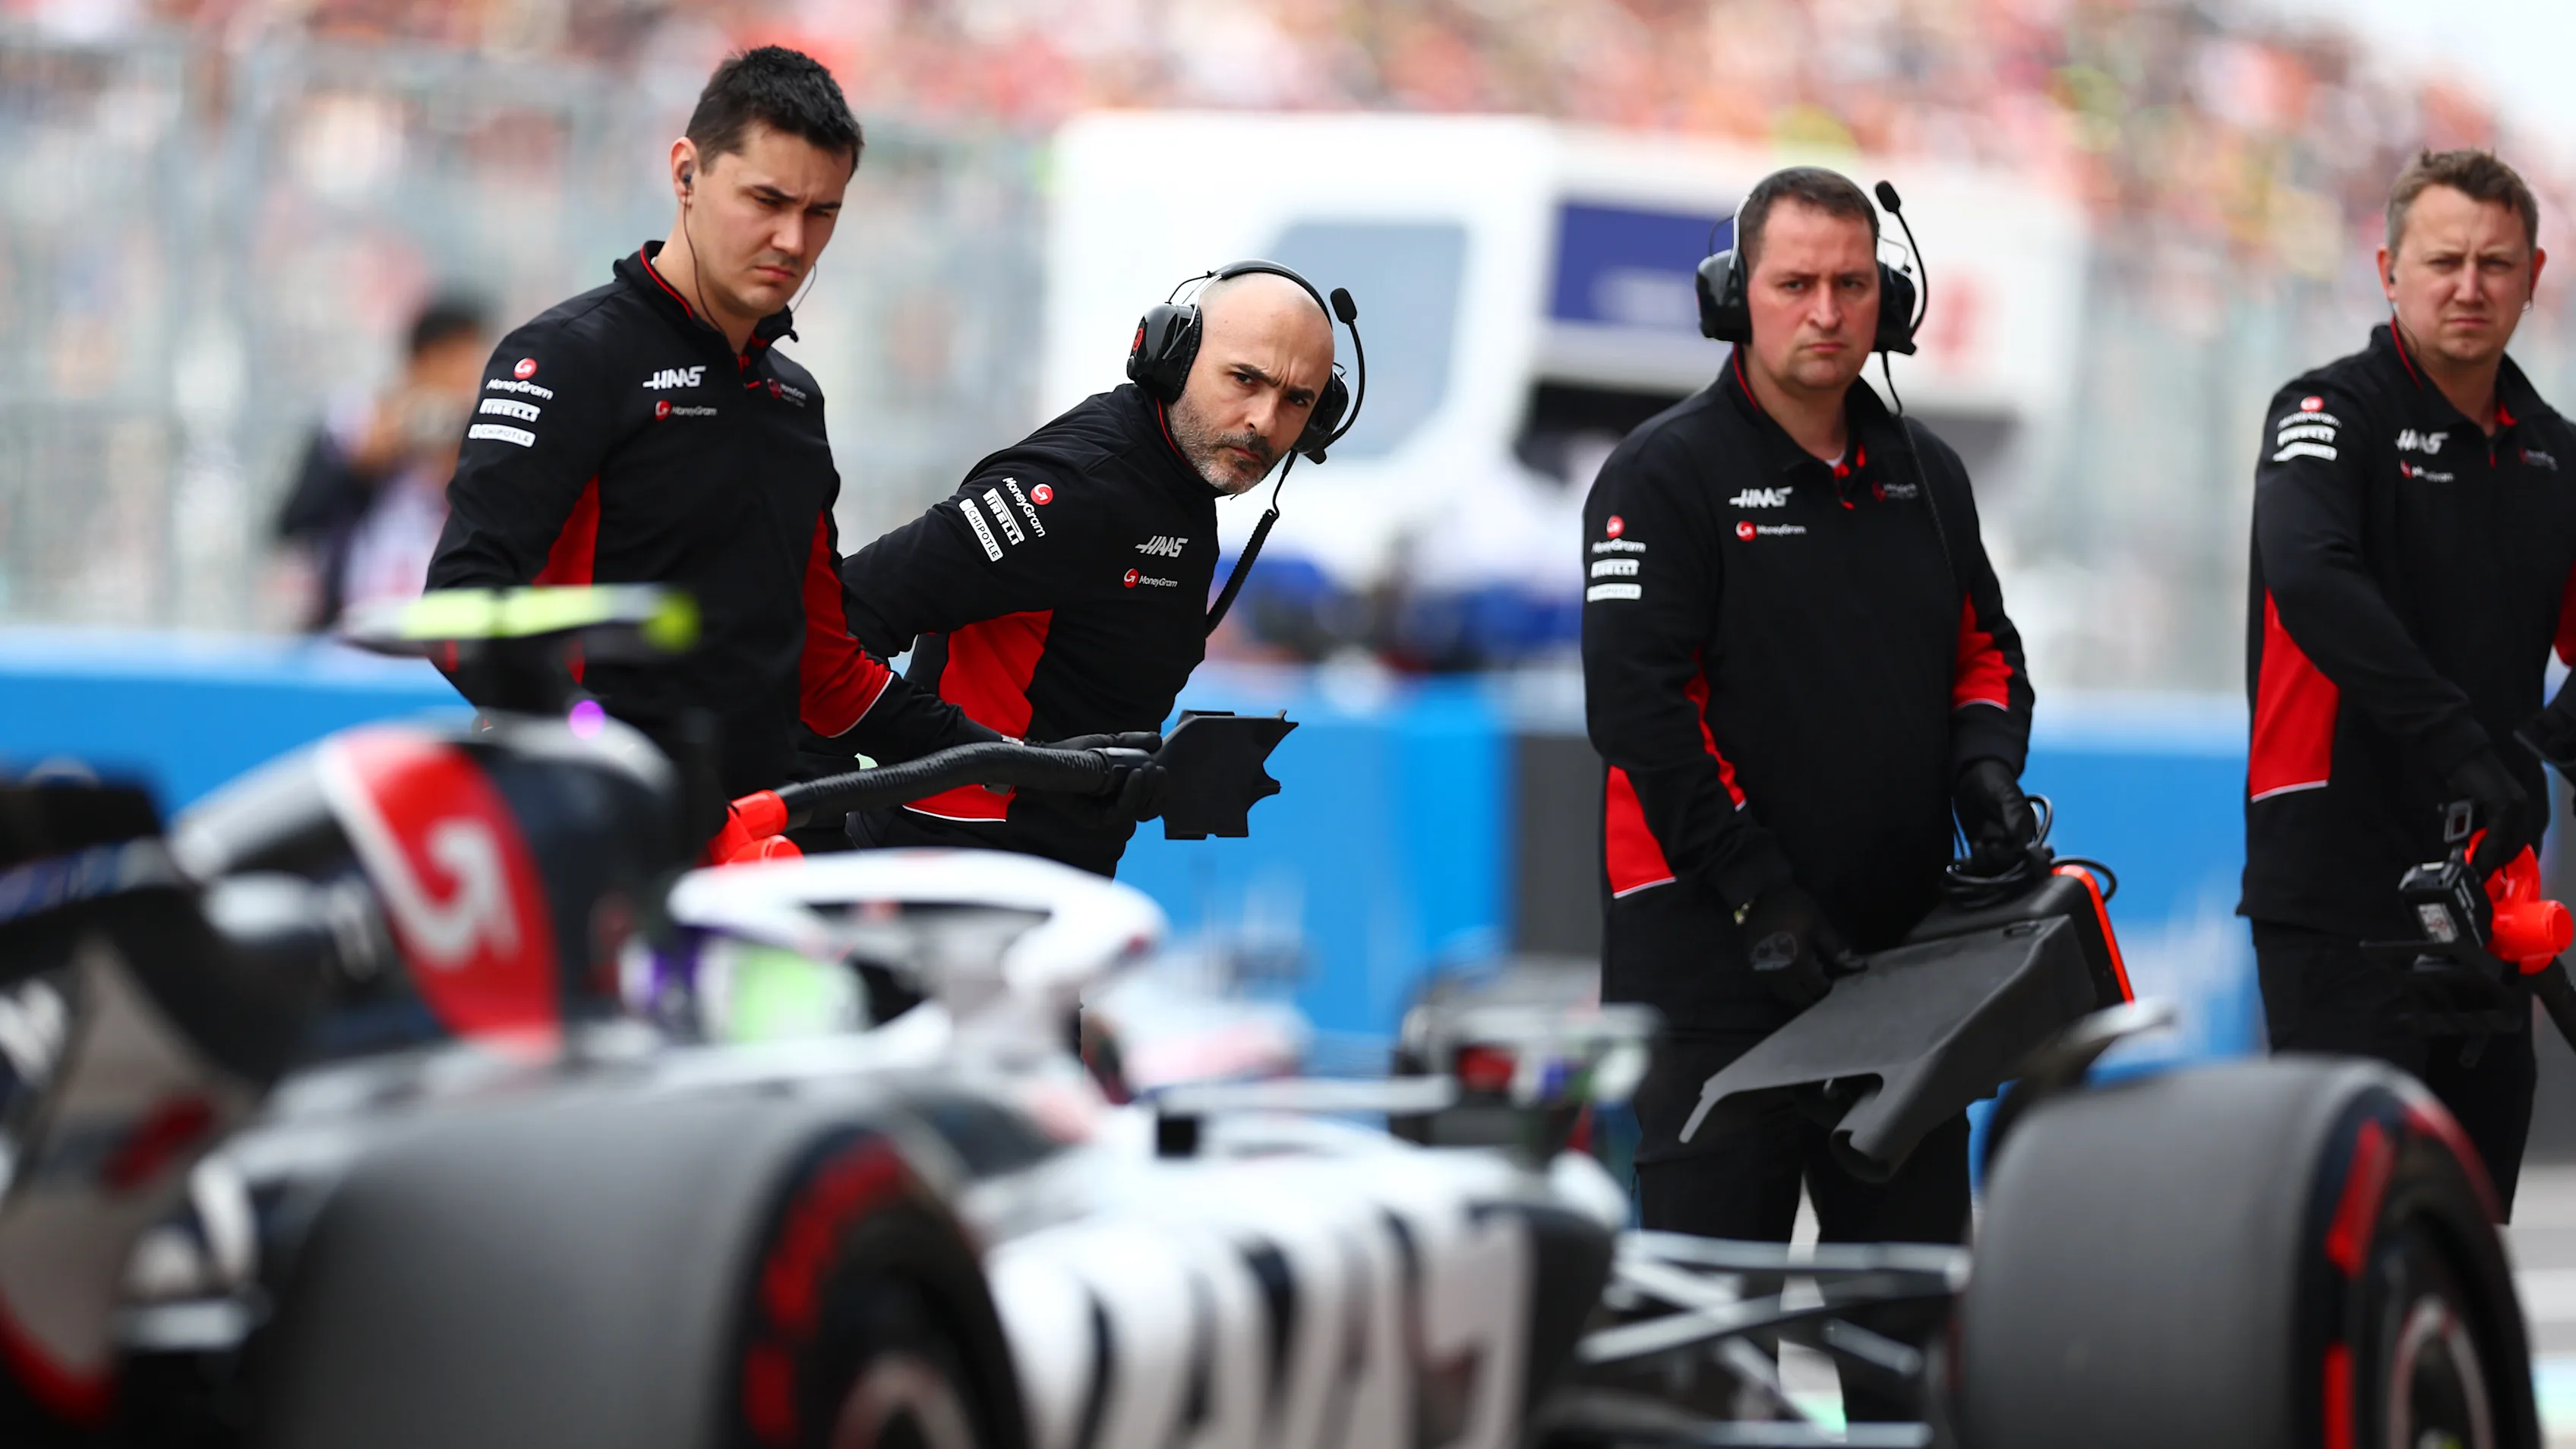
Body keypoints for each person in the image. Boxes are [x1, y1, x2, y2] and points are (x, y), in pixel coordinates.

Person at [1582, 169, 2034, 1266]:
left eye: (1850, 283)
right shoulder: (1661, 473)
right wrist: (1755, 891)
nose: (1826, 312)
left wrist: (1985, 770)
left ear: (1892, 299)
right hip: (1710, 969)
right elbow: (1639, 709)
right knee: (1714, 1346)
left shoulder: (1926, 473)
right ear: (1737, 296)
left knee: (1915, 1334)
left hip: (1900, 967)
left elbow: (1988, 652)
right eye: (1795, 283)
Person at [425, 47, 986, 811]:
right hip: (590, 831)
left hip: (752, 839)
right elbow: (460, 610)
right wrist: (607, 755)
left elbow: (823, 672)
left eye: (820, 212)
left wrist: (1009, 761)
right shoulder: (568, 356)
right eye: (767, 200)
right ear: (686, 173)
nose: (793, 239)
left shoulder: (791, 399)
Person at [2243, 148, 2576, 1217]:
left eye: (2494, 263)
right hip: (2337, 883)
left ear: (2534, 274)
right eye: (2443, 261)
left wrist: (2536, 754)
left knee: (2467, 1223)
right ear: (2389, 269)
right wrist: (2462, 744)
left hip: (2491, 893)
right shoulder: (2329, 415)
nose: (2468, 286)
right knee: (2345, 1219)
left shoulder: (2555, 456)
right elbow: (2311, 577)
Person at [837, 261, 1346, 876]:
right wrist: (992, 757)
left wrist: (1133, 773)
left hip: (1046, 881)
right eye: (1244, 379)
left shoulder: (1184, 483)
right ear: (1173, 356)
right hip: (944, 875)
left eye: (1297, 401)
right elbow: (839, 616)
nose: (1264, 421)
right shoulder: (1078, 486)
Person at [276, 293, 490, 631]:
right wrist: (360, 465)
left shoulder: (488, 435)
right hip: (350, 633)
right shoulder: (353, 423)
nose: (464, 375)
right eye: (452, 359)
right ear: (420, 358)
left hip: (449, 637)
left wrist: (457, 468)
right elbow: (293, 522)